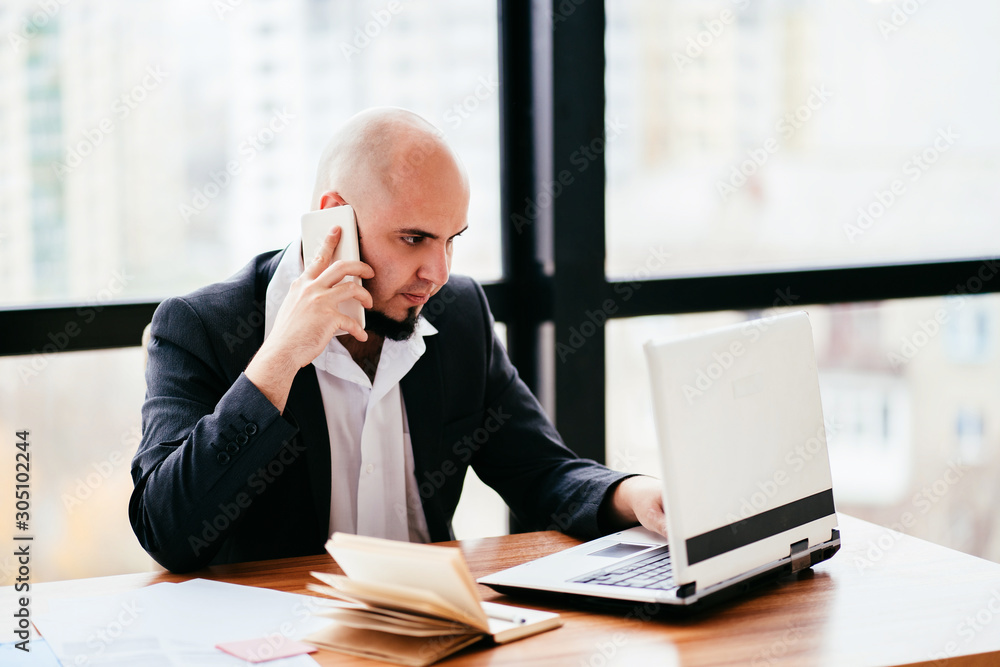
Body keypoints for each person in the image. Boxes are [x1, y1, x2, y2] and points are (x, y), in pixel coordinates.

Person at [130, 107, 665, 573]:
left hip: (433, 632)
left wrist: (642, 497)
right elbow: (168, 534)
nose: (437, 272)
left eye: (451, 240)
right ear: (332, 214)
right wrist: (278, 362)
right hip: (287, 641)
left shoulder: (459, 314)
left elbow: (541, 472)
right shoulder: (201, 328)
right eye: (414, 239)